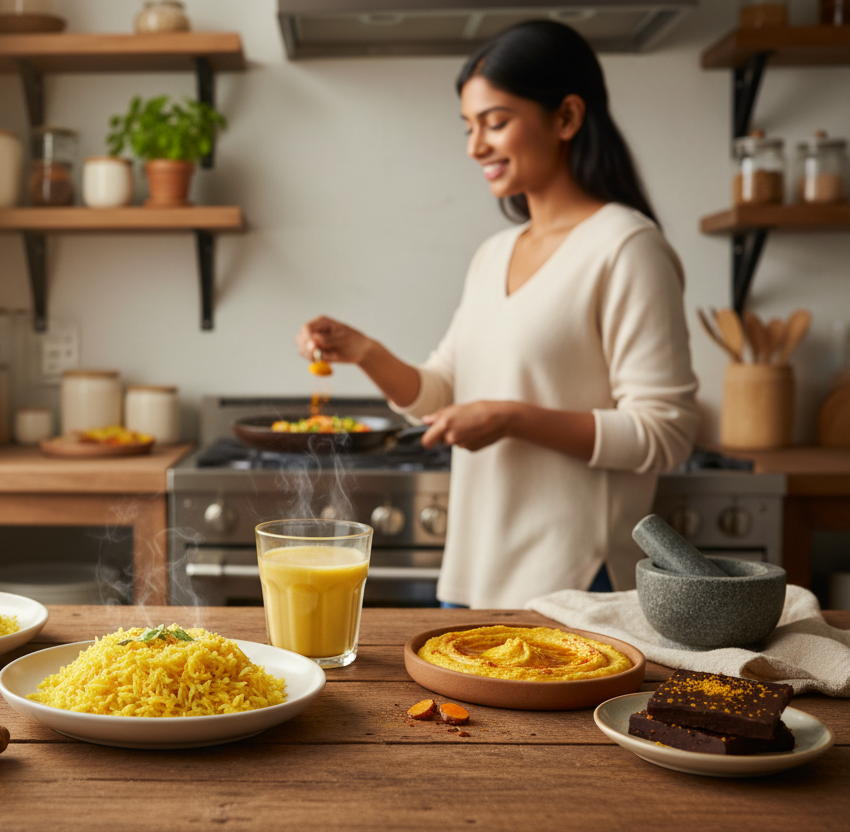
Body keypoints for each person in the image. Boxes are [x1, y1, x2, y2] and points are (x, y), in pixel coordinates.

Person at [296, 21, 698, 609]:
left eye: (496, 122)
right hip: (472, 577)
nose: (475, 146)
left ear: (565, 117)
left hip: (577, 582)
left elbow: (664, 432)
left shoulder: (625, 246)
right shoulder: (494, 255)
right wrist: (364, 352)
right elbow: (440, 393)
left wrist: (511, 418)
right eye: (469, 127)